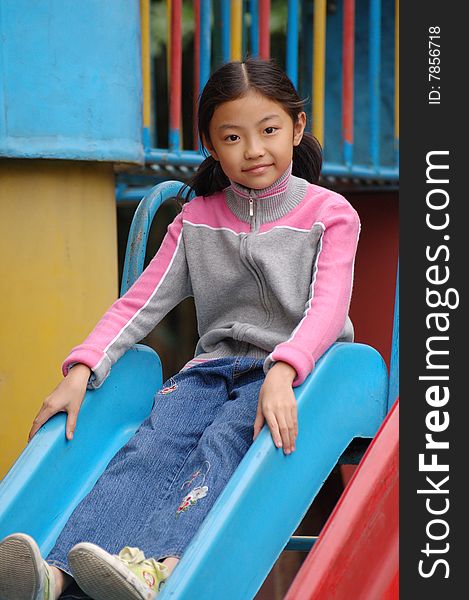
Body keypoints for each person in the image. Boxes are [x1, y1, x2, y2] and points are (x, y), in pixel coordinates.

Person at [0, 57, 360, 600]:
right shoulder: (197, 221)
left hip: (300, 374)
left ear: (297, 128)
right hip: (212, 369)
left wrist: (284, 371)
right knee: (150, 446)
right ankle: (57, 573)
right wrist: (81, 368)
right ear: (212, 146)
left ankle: (158, 564)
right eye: (233, 137)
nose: (254, 150)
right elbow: (136, 305)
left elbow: (327, 310)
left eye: (269, 131)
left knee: (223, 442)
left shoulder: (330, 214)